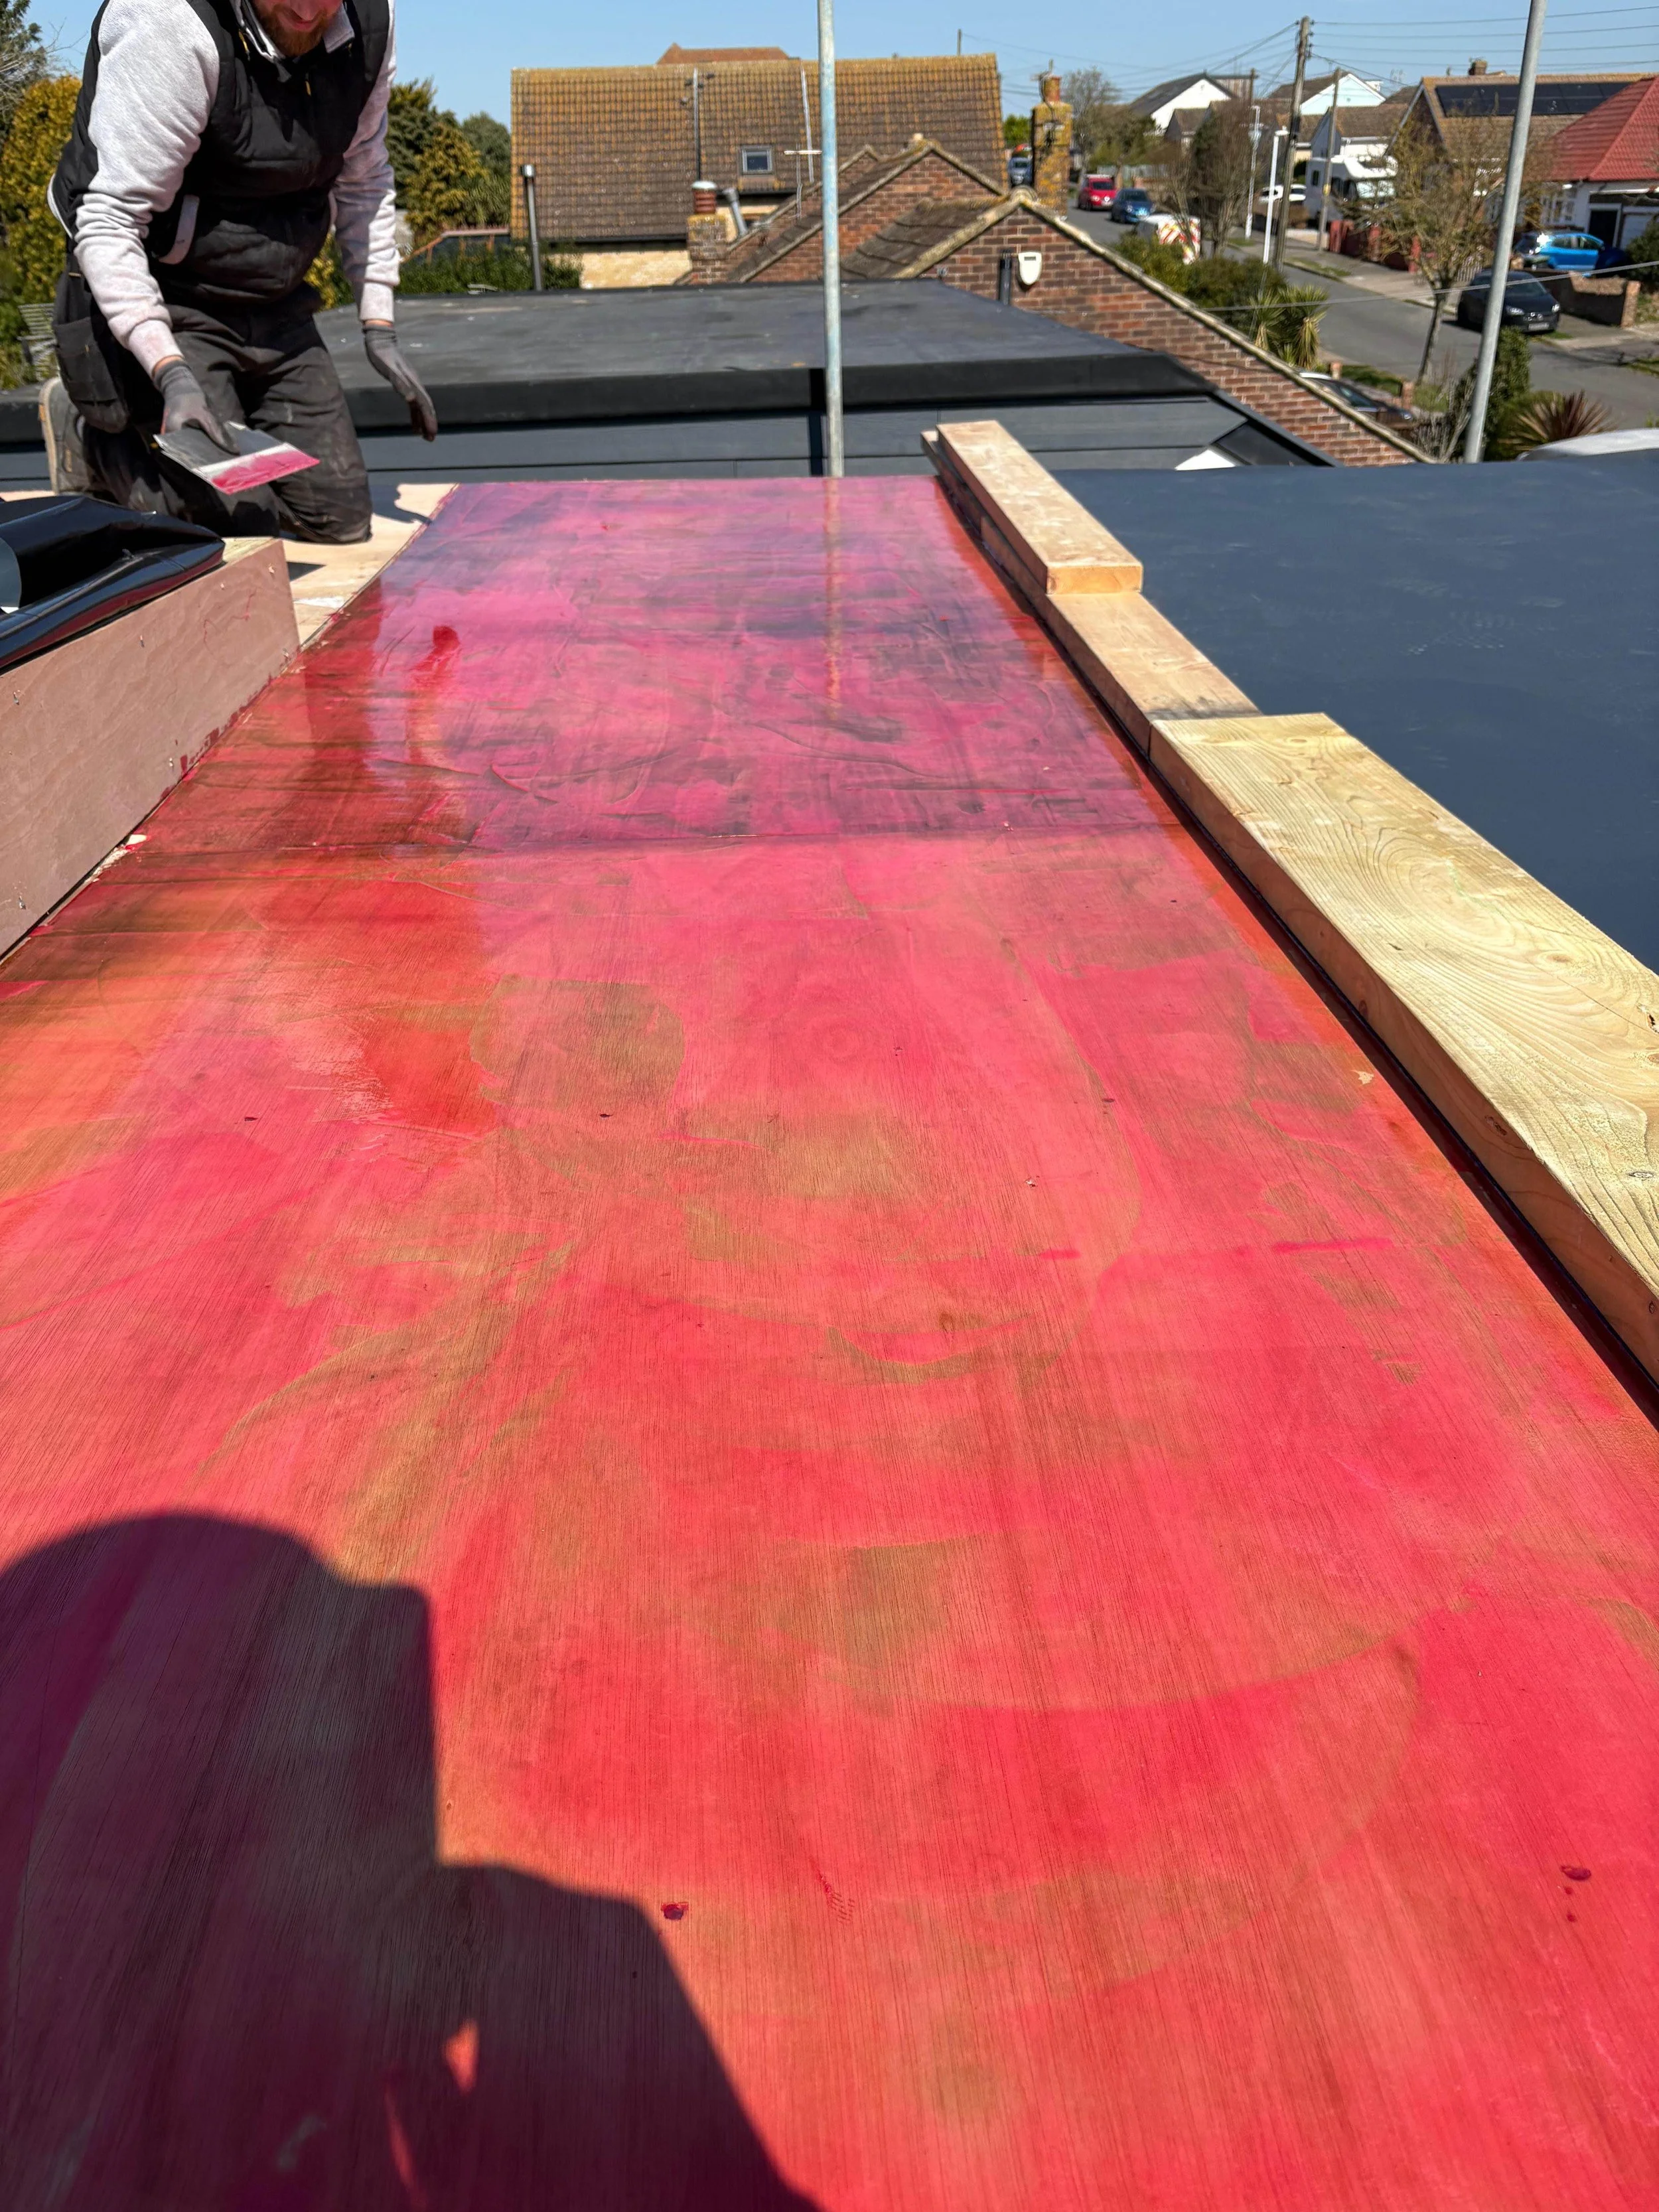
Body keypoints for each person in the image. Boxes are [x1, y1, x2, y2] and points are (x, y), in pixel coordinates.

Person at [41, 0, 436, 544]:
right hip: (166, 297)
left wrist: (380, 324)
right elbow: (108, 223)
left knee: (340, 523)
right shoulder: (171, 23)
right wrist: (171, 373)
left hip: (274, 299)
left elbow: (364, 174)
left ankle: (216, 439)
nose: (308, 8)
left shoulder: (371, 22)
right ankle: (96, 440)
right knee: (236, 527)